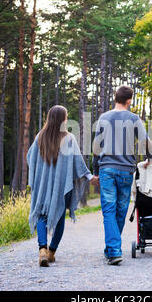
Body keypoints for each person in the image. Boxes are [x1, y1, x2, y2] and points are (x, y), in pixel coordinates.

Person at [27, 105, 98, 267]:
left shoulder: (40, 137)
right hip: (61, 187)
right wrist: (90, 177)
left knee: (41, 216)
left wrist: (41, 174)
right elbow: (78, 162)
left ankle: (42, 249)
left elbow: (30, 157)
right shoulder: (69, 138)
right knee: (59, 217)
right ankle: (51, 252)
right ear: (64, 119)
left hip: (44, 186)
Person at [92, 85, 152, 265]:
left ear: (115, 98)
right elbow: (145, 141)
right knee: (120, 210)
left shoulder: (104, 117)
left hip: (107, 170)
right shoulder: (134, 118)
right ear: (129, 100)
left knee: (109, 211)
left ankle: (112, 250)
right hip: (126, 170)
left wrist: (96, 172)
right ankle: (113, 250)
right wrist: (150, 158)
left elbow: (96, 148)